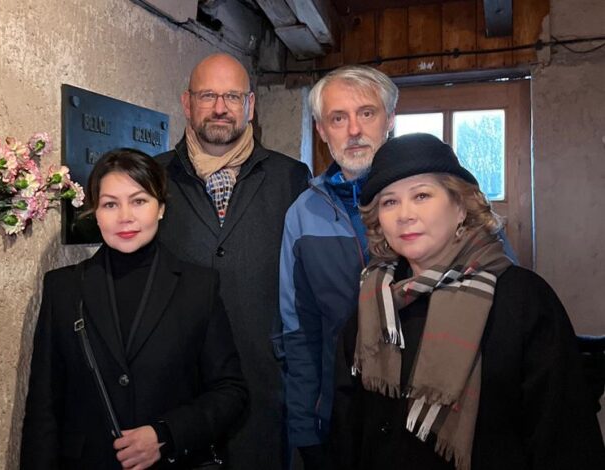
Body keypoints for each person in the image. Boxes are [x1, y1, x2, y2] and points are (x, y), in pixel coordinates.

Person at [328, 133, 605, 470]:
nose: (404, 214)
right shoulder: (374, 301)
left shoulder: (523, 300)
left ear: (460, 207)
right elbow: (348, 427)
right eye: (389, 202)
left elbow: (564, 437)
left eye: (421, 195)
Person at [20, 149, 248, 469]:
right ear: (95, 212)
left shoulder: (198, 287)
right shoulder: (64, 288)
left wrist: (166, 434)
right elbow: (43, 408)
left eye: (139, 201)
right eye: (110, 204)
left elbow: (230, 392)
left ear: (161, 208)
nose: (125, 216)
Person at [156, 53, 310, 469]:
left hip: (265, 387)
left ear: (250, 105)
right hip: (179, 392)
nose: (220, 107)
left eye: (232, 96)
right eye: (208, 95)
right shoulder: (153, 177)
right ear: (187, 103)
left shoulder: (292, 178)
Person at [277, 65, 397, 468]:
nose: (354, 130)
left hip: (425, 412)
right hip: (340, 412)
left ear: (389, 119)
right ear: (321, 130)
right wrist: (303, 426)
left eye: (367, 113)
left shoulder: (432, 197)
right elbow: (299, 331)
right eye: (338, 118)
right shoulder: (303, 214)